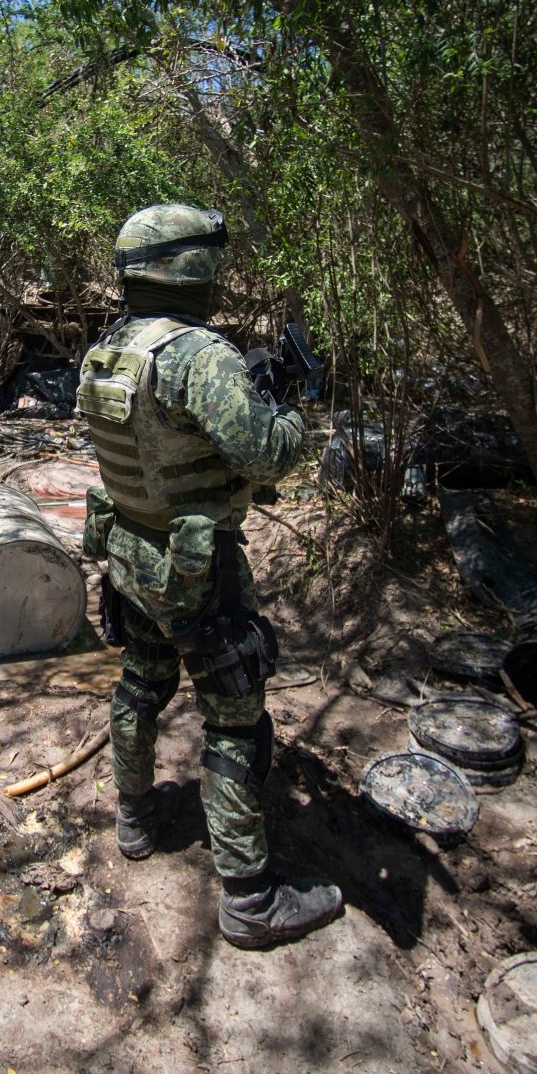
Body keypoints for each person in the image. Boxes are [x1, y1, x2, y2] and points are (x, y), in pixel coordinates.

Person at [75, 203, 343, 949]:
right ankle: (251, 902)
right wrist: (293, 409)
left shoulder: (106, 351)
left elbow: (156, 449)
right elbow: (267, 455)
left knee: (141, 683)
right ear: (194, 270)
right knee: (235, 719)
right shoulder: (199, 355)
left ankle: (132, 820)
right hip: (198, 567)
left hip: (132, 553)